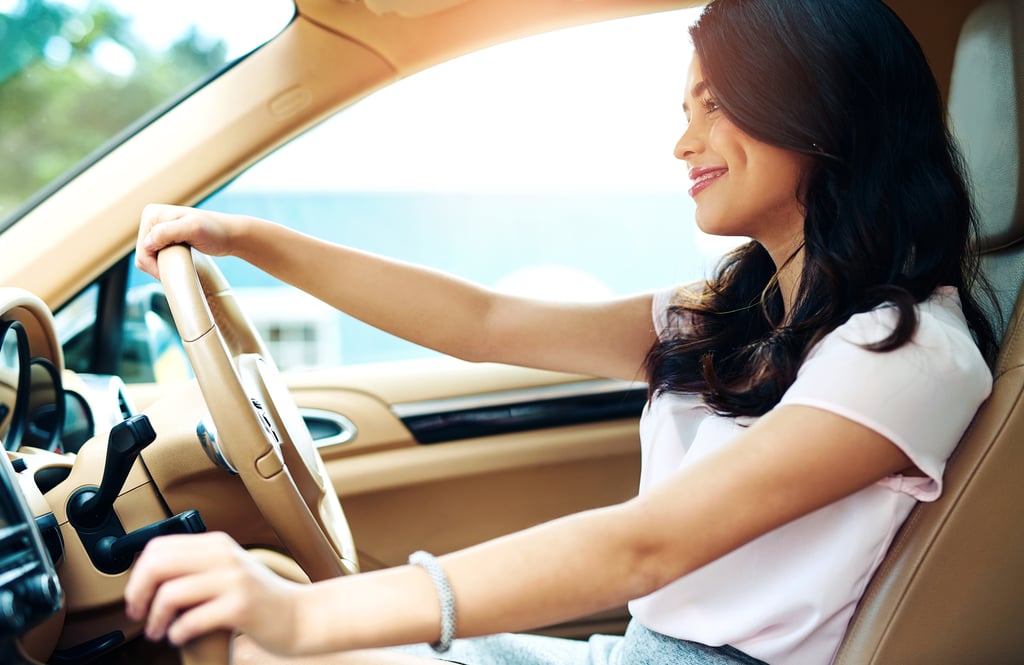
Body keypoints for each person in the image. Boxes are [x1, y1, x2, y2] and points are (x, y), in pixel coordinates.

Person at [123, 0, 997, 663]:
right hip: (633, 652)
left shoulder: (911, 352)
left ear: (822, 110)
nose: (683, 141)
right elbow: (483, 321)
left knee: (288, 637)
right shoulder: (752, 307)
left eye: (716, 104)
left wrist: (310, 613)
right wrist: (248, 239)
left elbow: (647, 544)